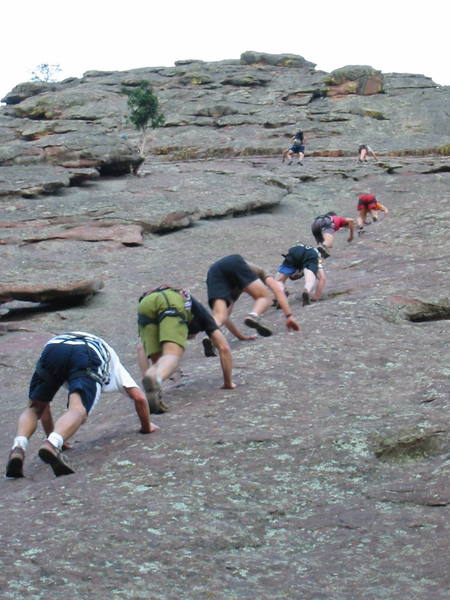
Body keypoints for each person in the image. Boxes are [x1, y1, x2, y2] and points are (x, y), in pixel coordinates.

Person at [5, 332, 157, 479]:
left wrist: (53, 434)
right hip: (87, 352)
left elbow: (44, 407)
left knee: (35, 407)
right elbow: (140, 398)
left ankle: (18, 447)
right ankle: (53, 443)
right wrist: (146, 426)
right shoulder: (116, 367)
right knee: (78, 409)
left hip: (54, 346)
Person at [137, 285, 235, 414]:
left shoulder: (189, 313)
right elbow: (224, 348)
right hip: (170, 300)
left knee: (159, 363)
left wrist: (148, 384)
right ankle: (157, 380)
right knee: (171, 355)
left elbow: (141, 348)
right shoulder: (203, 316)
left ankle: (153, 385)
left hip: (145, 302)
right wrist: (228, 383)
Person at [206, 254, 300, 340]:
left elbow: (225, 318)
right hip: (233, 262)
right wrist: (289, 316)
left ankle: (210, 337)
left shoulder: (234, 290)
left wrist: (241, 337)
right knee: (265, 297)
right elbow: (278, 291)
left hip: (213, 272)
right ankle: (253, 316)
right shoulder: (260, 272)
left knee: (220, 315)